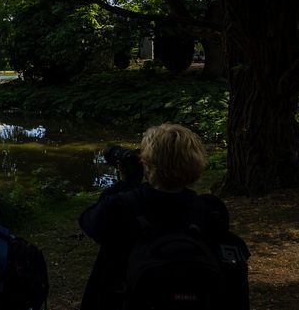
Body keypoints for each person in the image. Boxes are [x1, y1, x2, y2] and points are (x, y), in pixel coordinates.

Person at [78, 123, 234, 310]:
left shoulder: (122, 206)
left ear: (147, 162)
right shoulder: (211, 210)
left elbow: (89, 223)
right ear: (195, 162)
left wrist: (126, 183)